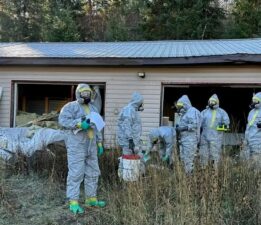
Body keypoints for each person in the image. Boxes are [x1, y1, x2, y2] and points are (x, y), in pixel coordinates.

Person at [58, 83, 105, 214]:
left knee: (93, 171)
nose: (86, 96)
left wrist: (100, 143)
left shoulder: (93, 109)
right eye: (84, 93)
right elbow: (62, 121)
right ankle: (73, 201)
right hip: (77, 145)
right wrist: (78, 123)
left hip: (91, 145)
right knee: (76, 172)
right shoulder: (70, 107)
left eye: (88, 93)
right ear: (78, 93)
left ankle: (91, 198)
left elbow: (98, 127)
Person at [199, 94, 230, 168]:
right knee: (203, 154)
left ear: (217, 102)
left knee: (214, 155)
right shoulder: (204, 112)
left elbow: (227, 125)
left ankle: (214, 171)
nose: (211, 103)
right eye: (210, 102)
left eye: (213, 102)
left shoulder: (222, 112)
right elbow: (199, 123)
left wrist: (220, 127)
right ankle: (204, 170)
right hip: (204, 137)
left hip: (216, 138)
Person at [175, 95, 201, 174]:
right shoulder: (183, 114)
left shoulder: (193, 111)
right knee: (183, 159)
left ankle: (189, 178)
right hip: (183, 140)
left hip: (190, 140)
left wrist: (183, 128)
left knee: (189, 160)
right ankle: (185, 177)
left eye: (180, 105)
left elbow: (195, 125)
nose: (179, 108)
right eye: (178, 106)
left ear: (185, 104)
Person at [116, 92, 144, 156]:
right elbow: (126, 125)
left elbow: (135, 126)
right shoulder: (129, 109)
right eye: (141, 102)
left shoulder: (134, 110)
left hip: (134, 142)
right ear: (138, 101)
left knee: (135, 161)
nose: (141, 104)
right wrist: (130, 140)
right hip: (128, 143)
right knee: (127, 161)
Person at [243, 92, 261, 167]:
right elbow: (249, 125)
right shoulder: (251, 112)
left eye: (256, 101)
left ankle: (257, 176)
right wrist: (245, 139)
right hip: (248, 140)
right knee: (247, 161)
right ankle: (250, 177)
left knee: (257, 160)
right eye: (253, 100)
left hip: (258, 140)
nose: (254, 103)